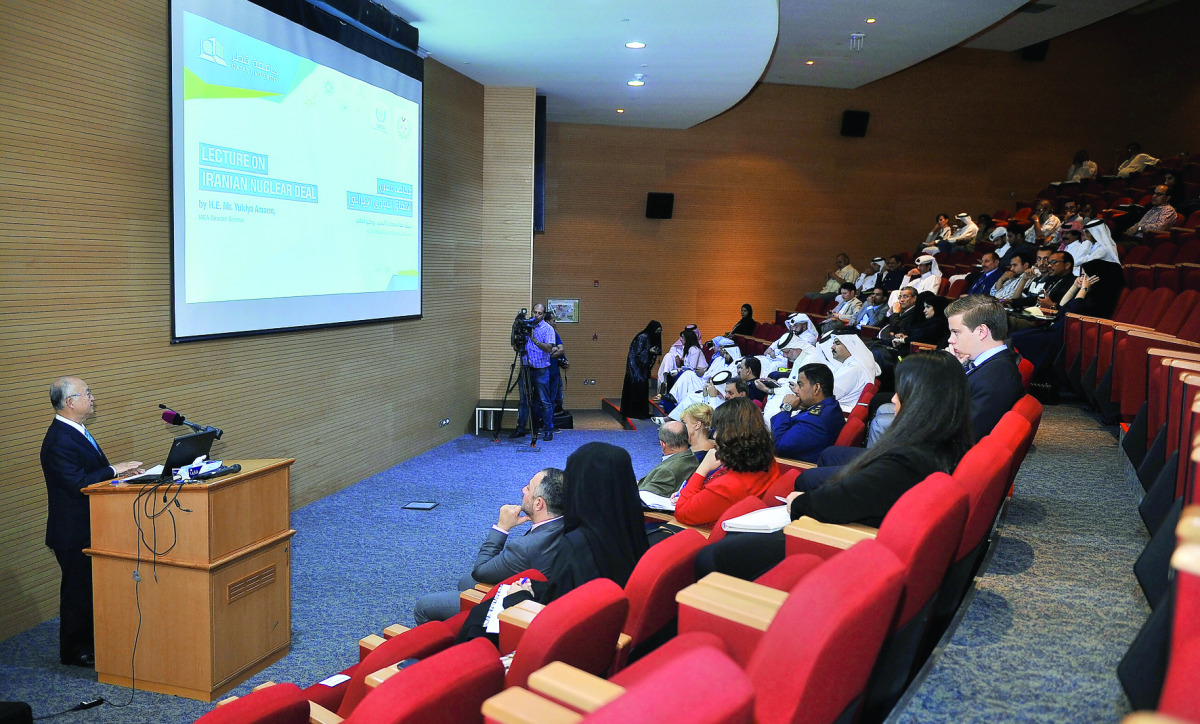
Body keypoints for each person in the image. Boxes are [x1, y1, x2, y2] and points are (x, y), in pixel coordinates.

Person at [695, 352, 973, 581]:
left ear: (921, 402)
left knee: (711, 555)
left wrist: (799, 503)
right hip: (852, 532)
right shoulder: (943, 444)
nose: (892, 400)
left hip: (838, 543)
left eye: (901, 394)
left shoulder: (907, 460)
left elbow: (839, 499)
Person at [456, 443, 648, 643]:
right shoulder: (632, 527)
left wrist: (518, 597)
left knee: (476, 620)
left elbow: (556, 615)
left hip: (556, 642)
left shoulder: (578, 544)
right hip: (604, 625)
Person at [41, 377, 143, 668]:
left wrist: (123, 476)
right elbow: (77, 485)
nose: (93, 398)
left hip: (94, 525)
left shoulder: (77, 431)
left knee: (92, 588)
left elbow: (92, 473)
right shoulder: (59, 439)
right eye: (88, 393)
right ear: (70, 402)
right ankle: (74, 652)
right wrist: (113, 469)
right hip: (73, 532)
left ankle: (94, 641)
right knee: (78, 590)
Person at [412, 468, 565, 625]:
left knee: (423, 607)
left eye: (528, 487)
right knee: (466, 582)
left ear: (538, 503)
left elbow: (480, 571)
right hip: (548, 591)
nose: (523, 489)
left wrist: (501, 528)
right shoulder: (570, 522)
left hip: (524, 605)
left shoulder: (524, 547)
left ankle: (455, 640)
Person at [673, 398, 779, 526]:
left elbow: (682, 512)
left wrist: (702, 468)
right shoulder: (768, 462)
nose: (715, 436)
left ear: (731, 434)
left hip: (700, 533)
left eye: (718, 430)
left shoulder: (726, 486)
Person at [945, 295, 1026, 438]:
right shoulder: (994, 364)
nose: (950, 340)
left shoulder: (996, 377)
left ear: (982, 332)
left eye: (956, 332)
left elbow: (964, 435)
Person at [770, 363, 844, 463]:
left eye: (800, 385)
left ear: (816, 388)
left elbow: (778, 446)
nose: (796, 390)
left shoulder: (815, 421)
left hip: (791, 468)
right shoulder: (829, 406)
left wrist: (786, 408)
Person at [512, 304, 558, 441]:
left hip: (541, 369)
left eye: (539, 313)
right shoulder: (525, 327)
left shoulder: (548, 329)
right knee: (523, 401)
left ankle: (548, 430)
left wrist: (534, 340)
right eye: (535, 312)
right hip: (526, 367)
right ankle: (520, 429)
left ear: (543, 315)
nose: (536, 315)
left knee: (545, 401)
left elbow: (549, 349)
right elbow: (515, 347)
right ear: (532, 312)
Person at [637, 421, 700, 497]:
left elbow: (645, 495)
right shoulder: (691, 457)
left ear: (662, 444)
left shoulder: (667, 471)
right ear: (688, 437)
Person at [620, 320, 663, 420]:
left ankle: (641, 412)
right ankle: (636, 412)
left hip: (640, 369)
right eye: (657, 331)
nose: (658, 334)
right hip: (636, 369)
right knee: (638, 390)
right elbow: (637, 353)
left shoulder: (647, 336)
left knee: (641, 390)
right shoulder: (643, 337)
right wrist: (649, 351)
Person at [657, 327, 706, 395]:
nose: (681, 339)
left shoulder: (694, 349)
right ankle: (667, 394)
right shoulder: (688, 349)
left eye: (682, 337)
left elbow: (691, 367)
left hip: (698, 374)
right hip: (690, 372)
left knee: (677, 375)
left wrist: (679, 369)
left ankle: (672, 395)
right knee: (670, 374)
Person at [544, 311, 568, 416]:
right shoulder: (540, 333)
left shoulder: (554, 333)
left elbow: (561, 349)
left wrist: (549, 353)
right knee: (544, 398)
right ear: (547, 321)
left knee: (555, 397)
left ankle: (551, 422)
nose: (555, 323)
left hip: (554, 371)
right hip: (543, 372)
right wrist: (552, 350)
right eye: (553, 320)